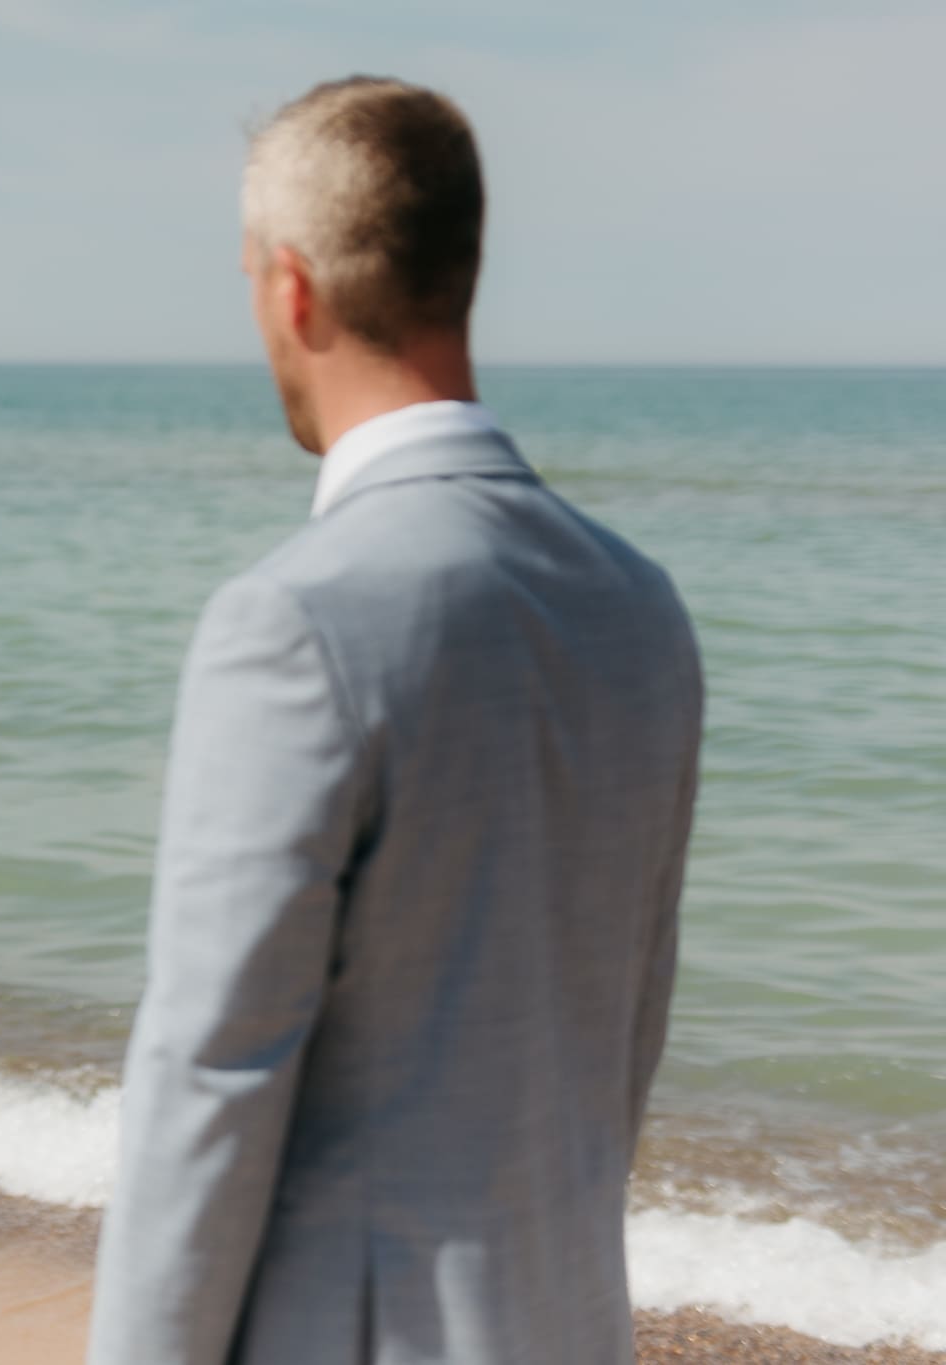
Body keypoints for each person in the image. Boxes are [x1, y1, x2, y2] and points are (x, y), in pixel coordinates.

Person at [86, 77, 703, 1364]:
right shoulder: (641, 609)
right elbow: (617, 1045)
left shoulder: (295, 621)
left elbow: (210, 1076)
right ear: (457, 271)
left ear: (289, 287)